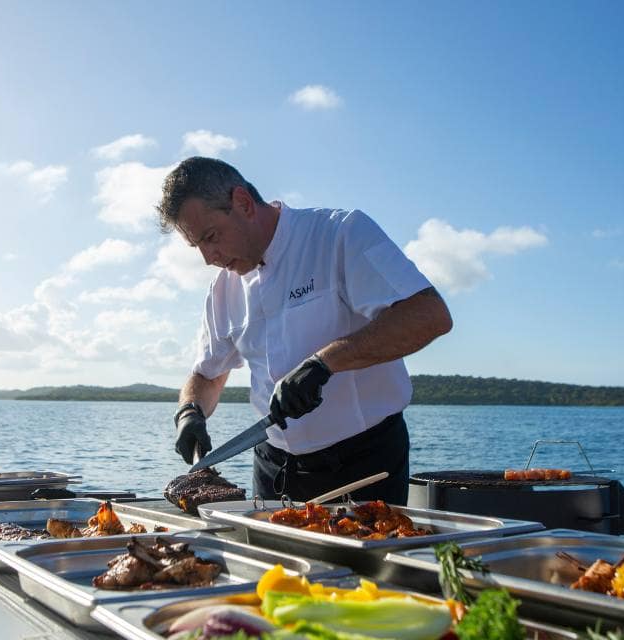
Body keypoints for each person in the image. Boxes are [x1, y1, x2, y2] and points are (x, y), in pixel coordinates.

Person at [158, 157, 452, 504]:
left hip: (363, 465)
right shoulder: (223, 290)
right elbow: (206, 375)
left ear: (243, 203)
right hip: (272, 468)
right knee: (271, 561)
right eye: (198, 247)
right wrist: (189, 411)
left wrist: (324, 363)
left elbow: (430, 314)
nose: (209, 258)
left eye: (211, 237)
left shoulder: (340, 234)